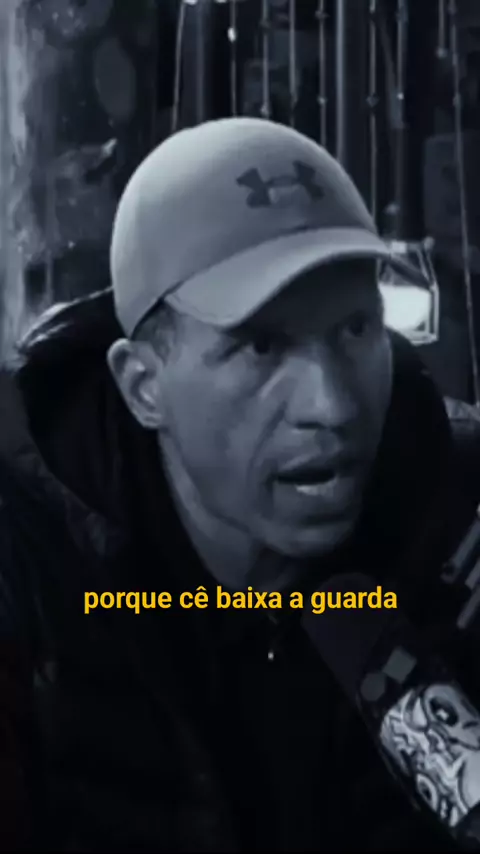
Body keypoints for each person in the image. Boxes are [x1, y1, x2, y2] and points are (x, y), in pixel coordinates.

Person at [0, 117, 480, 852]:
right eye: (261, 346)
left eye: (355, 329)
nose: (332, 406)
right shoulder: (29, 575)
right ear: (144, 385)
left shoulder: (454, 518)